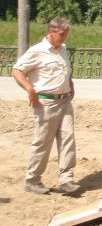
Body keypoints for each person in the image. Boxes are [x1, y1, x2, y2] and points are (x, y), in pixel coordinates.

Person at [12, 18, 80, 196]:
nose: (64, 38)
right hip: (46, 102)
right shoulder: (37, 51)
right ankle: (33, 179)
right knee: (43, 141)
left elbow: (65, 70)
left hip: (64, 101)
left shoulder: (62, 50)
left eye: (66, 34)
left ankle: (66, 179)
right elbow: (17, 70)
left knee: (68, 138)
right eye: (61, 34)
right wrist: (29, 88)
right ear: (51, 32)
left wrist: (70, 84)